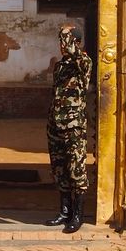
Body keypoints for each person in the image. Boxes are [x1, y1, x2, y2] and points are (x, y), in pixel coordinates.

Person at [46, 25, 92, 233]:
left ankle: (77, 215)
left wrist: (66, 32)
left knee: (76, 170)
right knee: (59, 169)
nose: (62, 46)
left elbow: (74, 53)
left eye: (66, 41)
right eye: (61, 42)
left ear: (75, 42)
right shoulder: (60, 66)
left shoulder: (83, 62)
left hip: (74, 127)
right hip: (56, 124)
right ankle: (64, 212)